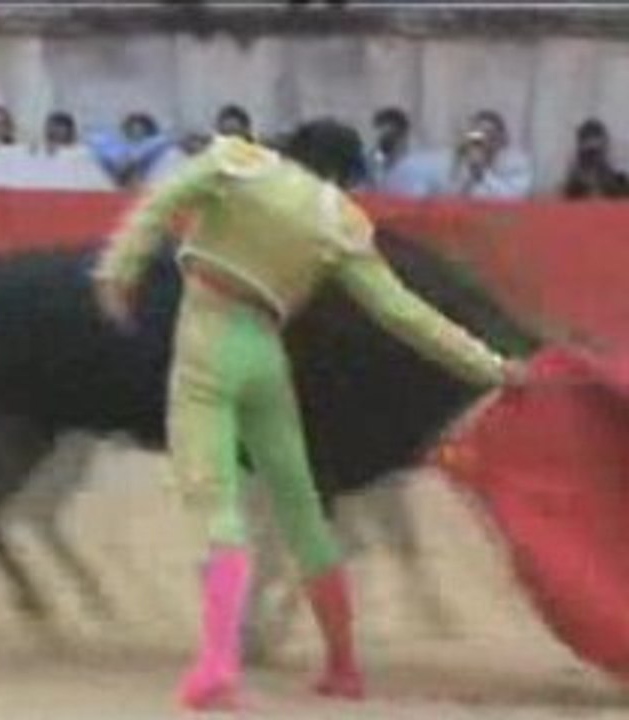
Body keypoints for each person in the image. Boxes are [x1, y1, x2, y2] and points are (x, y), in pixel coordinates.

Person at [92, 131, 518, 710]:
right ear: (344, 177)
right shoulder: (340, 220)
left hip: (207, 344)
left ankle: (218, 664)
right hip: (267, 357)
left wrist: (118, 269)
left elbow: (160, 201)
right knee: (302, 510)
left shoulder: (236, 160)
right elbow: (404, 313)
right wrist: (491, 367)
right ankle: (343, 667)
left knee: (216, 504)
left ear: (291, 150)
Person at [562, 118, 629, 199]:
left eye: (596, 152)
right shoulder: (574, 181)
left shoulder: (613, 177)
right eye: (590, 152)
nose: (593, 157)